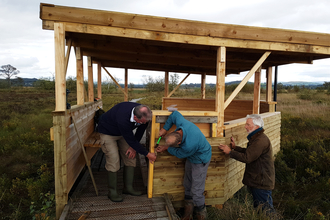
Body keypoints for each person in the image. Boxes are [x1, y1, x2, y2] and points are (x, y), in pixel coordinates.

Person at [156, 111, 211, 220]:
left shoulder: (188, 146)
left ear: (179, 144)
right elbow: (174, 113)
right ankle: (188, 213)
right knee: (187, 183)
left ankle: (201, 212)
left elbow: (180, 154)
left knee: (196, 190)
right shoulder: (182, 124)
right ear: (175, 131)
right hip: (192, 157)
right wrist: (164, 129)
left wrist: (167, 148)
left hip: (201, 159)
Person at [97, 102, 157, 202]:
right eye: (141, 122)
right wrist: (147, 154)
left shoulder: (143, 113)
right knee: (113, 159)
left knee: (131, 156)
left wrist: (134, 148)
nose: (143, 123)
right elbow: (130, 139)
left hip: (123, 132)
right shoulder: (123, 118)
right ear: (135, 117)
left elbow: (140, 131)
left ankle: (128, 188)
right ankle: (112, 192)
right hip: (108, 132)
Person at [218, 114, 275, 213]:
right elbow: (250, 152)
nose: (245, 127)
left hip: (261, 182)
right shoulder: (258, 137)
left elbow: (247, 158)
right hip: (260, 180)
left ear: (256, 126)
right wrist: (235, 148)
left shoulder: (260, 141)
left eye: (248, 124)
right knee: (260, 209)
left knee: (266, 211)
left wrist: (230, 152)